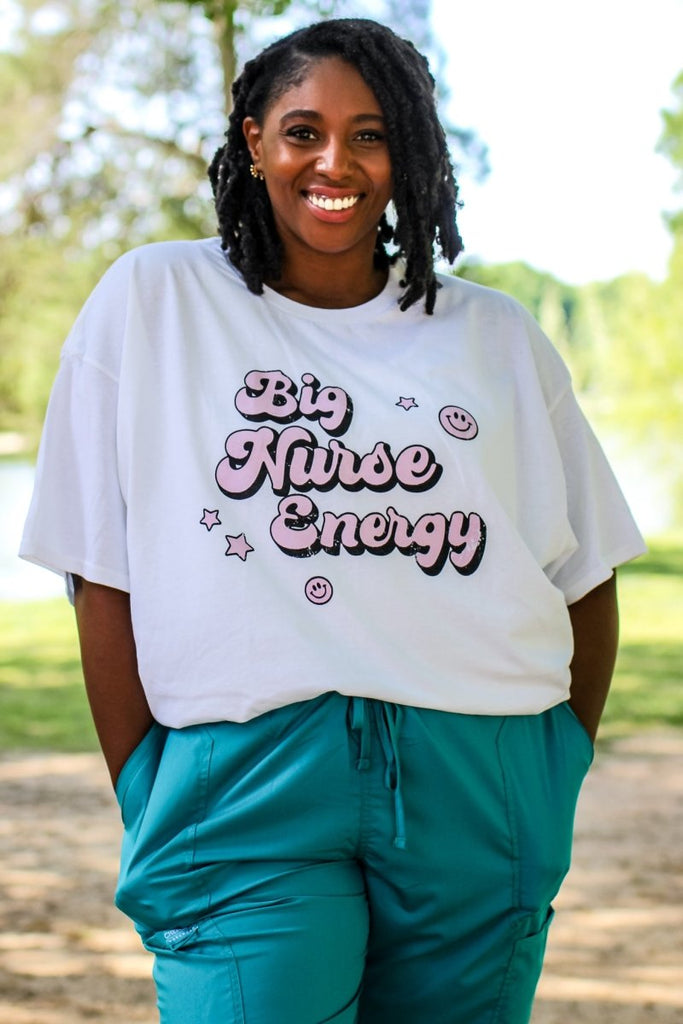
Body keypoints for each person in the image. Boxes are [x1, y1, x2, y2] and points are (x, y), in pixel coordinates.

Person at [21, 17, 646, 1024]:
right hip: (243, 777)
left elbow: (586, 572)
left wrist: (550, 770)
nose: (334, 161)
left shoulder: (493, 334)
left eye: (369, 134)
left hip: (480, 775)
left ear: (407, 154)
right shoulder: (155, 299)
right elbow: (102, 571)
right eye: (303, 129)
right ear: (253, 138)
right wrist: (148, 780)